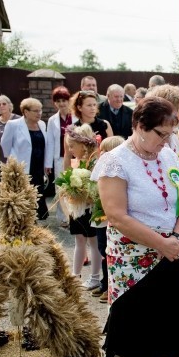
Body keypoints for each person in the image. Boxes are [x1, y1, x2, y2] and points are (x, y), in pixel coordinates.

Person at [91, 96, 179, 357]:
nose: (165, 141)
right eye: (160, 134)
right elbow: (117, 215)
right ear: (138, 126)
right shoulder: (116, 162)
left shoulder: (170, 156)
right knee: (134, 319)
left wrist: (176, 238)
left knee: (169, 316)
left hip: (171, 251)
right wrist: (159, 243)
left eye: (168, 135)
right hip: (132, 257)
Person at [63, 124, 102, 291]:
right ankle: (75, 275)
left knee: (94, 242)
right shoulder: (76, 161)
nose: (70, 150)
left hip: (90, 208)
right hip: (77, 208)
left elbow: (95, 187)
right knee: (79, 239)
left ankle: (94, 277)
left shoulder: (94, 161)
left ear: (83, 145)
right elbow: (66, 173)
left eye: (72, 146)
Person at [1, 98, 51, 220]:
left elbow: (47, 145)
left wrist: (47, 164)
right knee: (23, 196)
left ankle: (35, 221)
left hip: (38, 166)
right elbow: (5, 144)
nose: (39, 113)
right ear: (26, 112)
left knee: (37, 193)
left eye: (40, 110)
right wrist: (12, 162)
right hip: (21, 167)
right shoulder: (13, 124)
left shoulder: (42, 124)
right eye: (36, 111)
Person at [92, 135, 126, 304]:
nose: (102, 153)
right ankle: (105, 283)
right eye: (101, 150)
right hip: (100, 217)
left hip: (111, 219)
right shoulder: (100, 167)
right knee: (101, 249)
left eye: (106, 150)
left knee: (108, 251)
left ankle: (108, 285)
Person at [46, 86, 73, 226]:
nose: (62, 103)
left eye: (64, 100)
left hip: (74, 157)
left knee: (74, 186)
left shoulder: (75, 116)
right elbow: (50, 142)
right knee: (61, 188)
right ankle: (63, 217)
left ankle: (74, 215)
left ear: (69, 101)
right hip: (59, 158)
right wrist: (47, 164)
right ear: (55, 103)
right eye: (58, 101)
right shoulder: (52, 120)